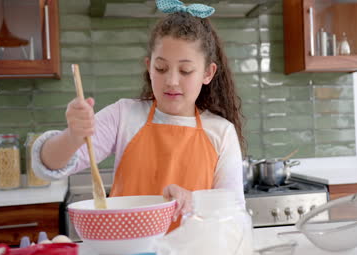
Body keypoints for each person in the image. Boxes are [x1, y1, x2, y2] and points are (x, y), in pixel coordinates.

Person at [32, 0, 245, 231]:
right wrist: (73, 136)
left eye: (185, 70)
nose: (172, 81)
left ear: (207, 73)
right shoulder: (124, 115)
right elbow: (46, 165)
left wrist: (193, 200)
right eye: (161, 68)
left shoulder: (221, 131)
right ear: (149, 67)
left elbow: (233, 210)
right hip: (127, 252)